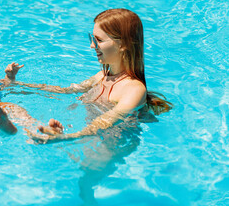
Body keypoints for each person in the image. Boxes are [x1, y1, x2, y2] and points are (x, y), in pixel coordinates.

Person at [12, 8, 173, 143]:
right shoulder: (101, 76)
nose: (91, 46)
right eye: (92, 38)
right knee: (14, 111)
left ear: (123, 44)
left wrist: (66, 137)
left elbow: (105, 122)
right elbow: (64, 91)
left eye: (99, 40)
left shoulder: (133, 90)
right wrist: (14, 83)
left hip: (111, 145)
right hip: (85, 135)